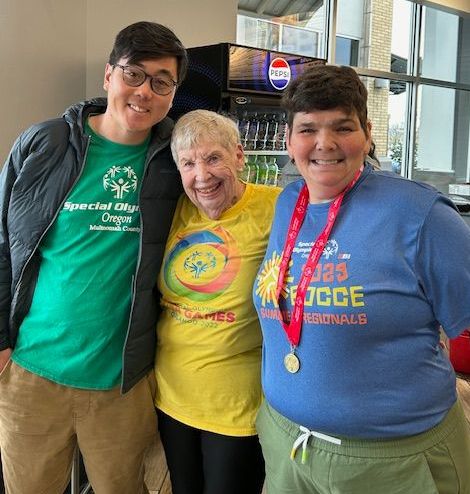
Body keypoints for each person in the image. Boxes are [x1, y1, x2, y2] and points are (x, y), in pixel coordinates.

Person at [253, 64, 470, 494]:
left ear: (367, 134)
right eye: (308, 129)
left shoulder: (422, 215)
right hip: (288, 446)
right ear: (288, 140)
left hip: (395, 462)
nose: (325, 143)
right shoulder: (288, 203)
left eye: (343, 127)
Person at [0, 21, 187, 494]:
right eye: (133, 74)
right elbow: (2, 243)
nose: (144, 92)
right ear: (108, 75)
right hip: (31, 374)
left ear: (173, 94)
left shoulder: (177, 162)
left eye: (161, 82)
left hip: (122, 385)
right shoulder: (45, 144)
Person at [154, 109, 280, 494]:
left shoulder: (278, 207)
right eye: (188, 164)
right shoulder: (174, 210)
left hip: (237, 405)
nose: (202, 176)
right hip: (171, 396)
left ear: (239, 156)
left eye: (213, 158)